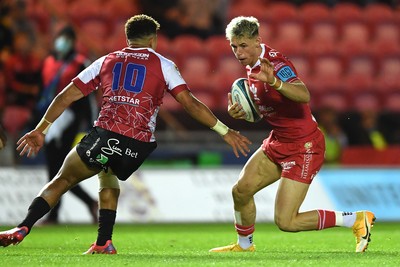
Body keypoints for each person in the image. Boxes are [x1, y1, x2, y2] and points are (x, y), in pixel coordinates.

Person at [0, 14, 251, 254]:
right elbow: (191, 103)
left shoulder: (106, 61)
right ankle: (104, 242)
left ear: (127, 37)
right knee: (107, 173)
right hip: (139, 146)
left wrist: (40, 129)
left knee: (61, 180)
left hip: (106, 135)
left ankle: (23, 226)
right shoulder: (164, 64)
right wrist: (224, 131)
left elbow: (66, 95)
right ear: (153, 39)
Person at [208, 16, 375, 253]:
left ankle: (356, 219)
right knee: (241, 190)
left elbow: (303, 94)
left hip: (304, 145)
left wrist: (275, 82)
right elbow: (269, 108)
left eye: (243, 45)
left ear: (258, 41)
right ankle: (245, 246)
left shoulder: (276, 64)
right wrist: (241, 113)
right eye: (234, 46)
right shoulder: (251, 65)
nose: (238, 52)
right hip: (279, 141)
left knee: (286, 222)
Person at [36, 25, 98, 224]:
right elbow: (43, 91)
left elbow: (88, 97)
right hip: (49, 118)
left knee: (57, 169)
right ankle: (87, 202)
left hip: (70, 119)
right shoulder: (47, 62)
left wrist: (89, 122)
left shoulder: (80, 63)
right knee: (54, 169)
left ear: (71, 42)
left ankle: (55, 214)